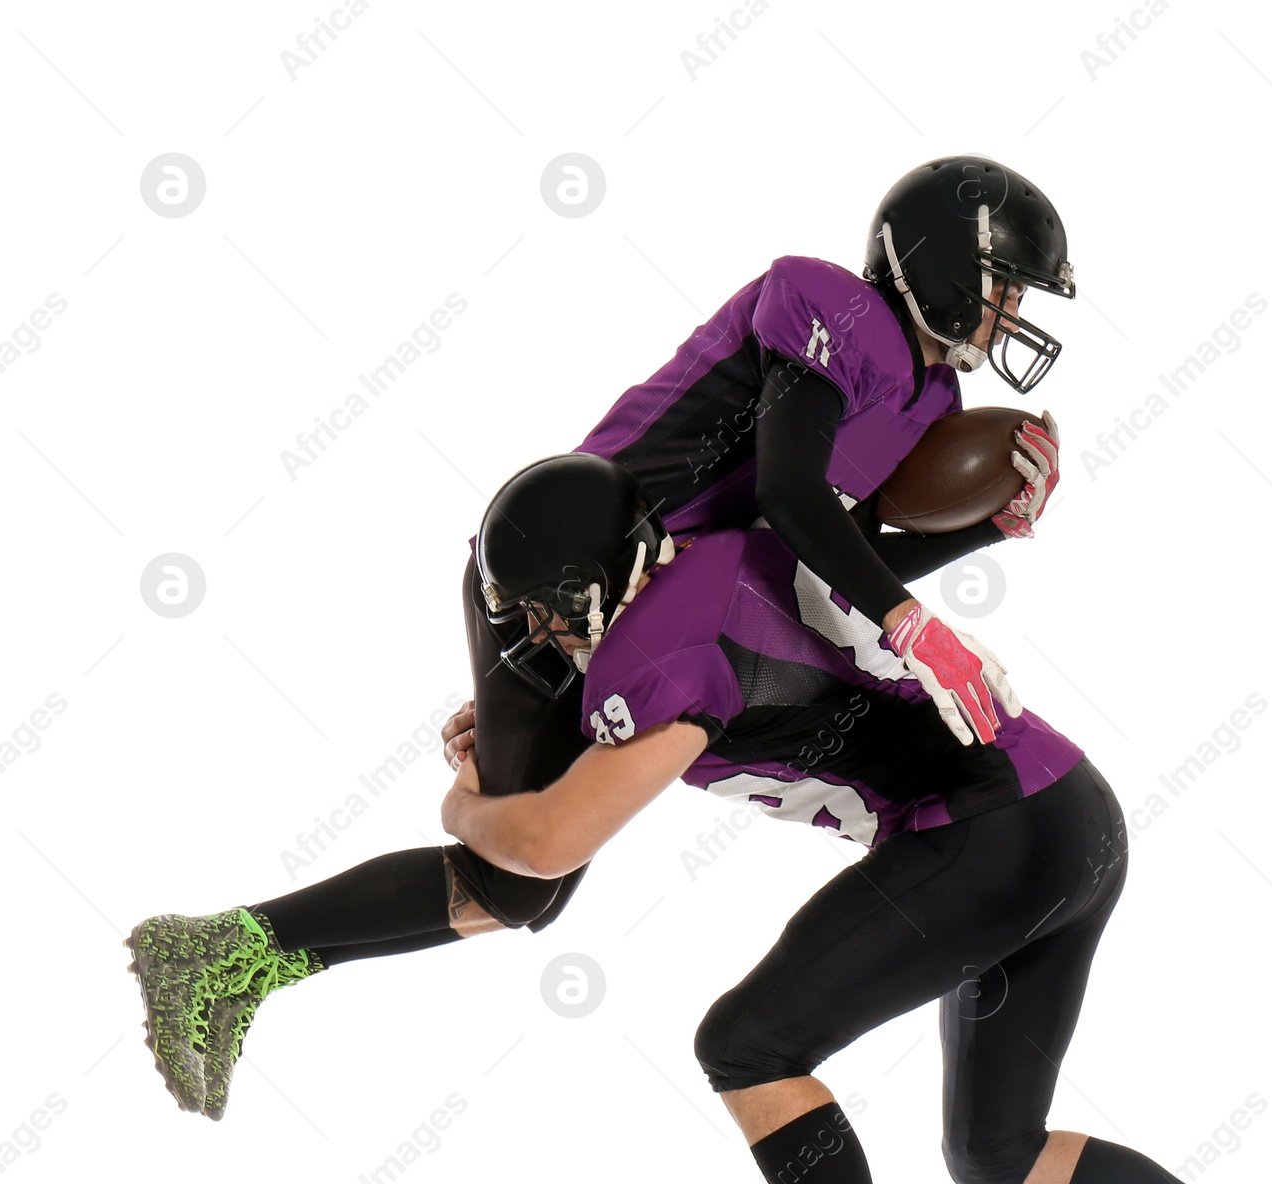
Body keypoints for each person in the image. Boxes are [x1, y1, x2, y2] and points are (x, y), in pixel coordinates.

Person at [127, 154, 1069, 1112]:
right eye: (1006, 287)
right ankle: (224, 953)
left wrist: (980, 533)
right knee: (525, 880)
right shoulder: (833, 305)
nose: (1010, 314)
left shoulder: (931, 403)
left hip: (665, 612)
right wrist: (913, 630)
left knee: (526, 882)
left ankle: (236, 959)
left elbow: (826, 555)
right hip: (564, 574)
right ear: (943, 267)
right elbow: (788, 496)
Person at [463, 455, 1272, 1184]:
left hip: (981, 832)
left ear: (625, 570)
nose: (540, 632)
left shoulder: (651, 655)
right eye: (520, 611)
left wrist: (466, 797)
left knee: (746, 1044)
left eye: (558, 606)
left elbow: (545, 843)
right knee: (996, 1154)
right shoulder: (728, 550)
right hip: (1067, 814)